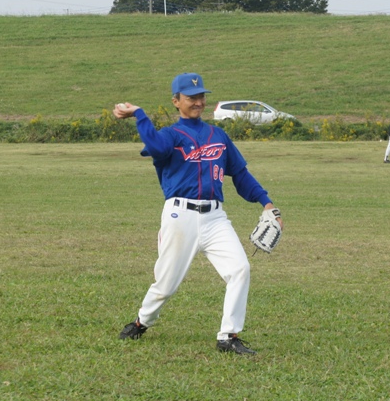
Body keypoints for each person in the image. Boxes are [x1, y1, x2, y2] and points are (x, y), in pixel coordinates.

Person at [113, 73, 281, 356]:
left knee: (240, 269)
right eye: (191, 98)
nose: (198, 102)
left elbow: (239, 174)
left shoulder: (219, 136)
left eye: (201, 96)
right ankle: (142, 322)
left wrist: (266, 203)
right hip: (180, 217)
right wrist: (139, 114)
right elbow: (154, 147)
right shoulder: (171, 136)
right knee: (166, 284)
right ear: (176, 101)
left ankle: (228, 336)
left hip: (215, 217)